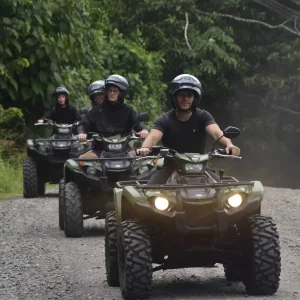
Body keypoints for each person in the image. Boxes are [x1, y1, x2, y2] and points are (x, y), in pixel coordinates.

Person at [136, 74, 241, 184]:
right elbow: (152, 136)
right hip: (170, 167)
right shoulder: (164, 120)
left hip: (199, 168)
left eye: (189, 96)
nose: (185, 99)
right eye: (182, 95)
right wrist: (146, 148)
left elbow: (217, 133)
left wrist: (229, 145)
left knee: (222, 191)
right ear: (174, 97)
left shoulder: (203, 116)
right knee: (149, 192)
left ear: (194, 98)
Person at [77, 74, 149, 158]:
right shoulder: (96, 110)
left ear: (120, 93)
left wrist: (144, 130)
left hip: (124, 149)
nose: (112, 93)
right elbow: (83, 124)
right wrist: (82, 133)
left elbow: (138, 122)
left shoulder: (128, 110)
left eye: (115, 91)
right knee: (82, 159)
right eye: (110, 91)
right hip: (100, 150)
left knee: (143, 161)